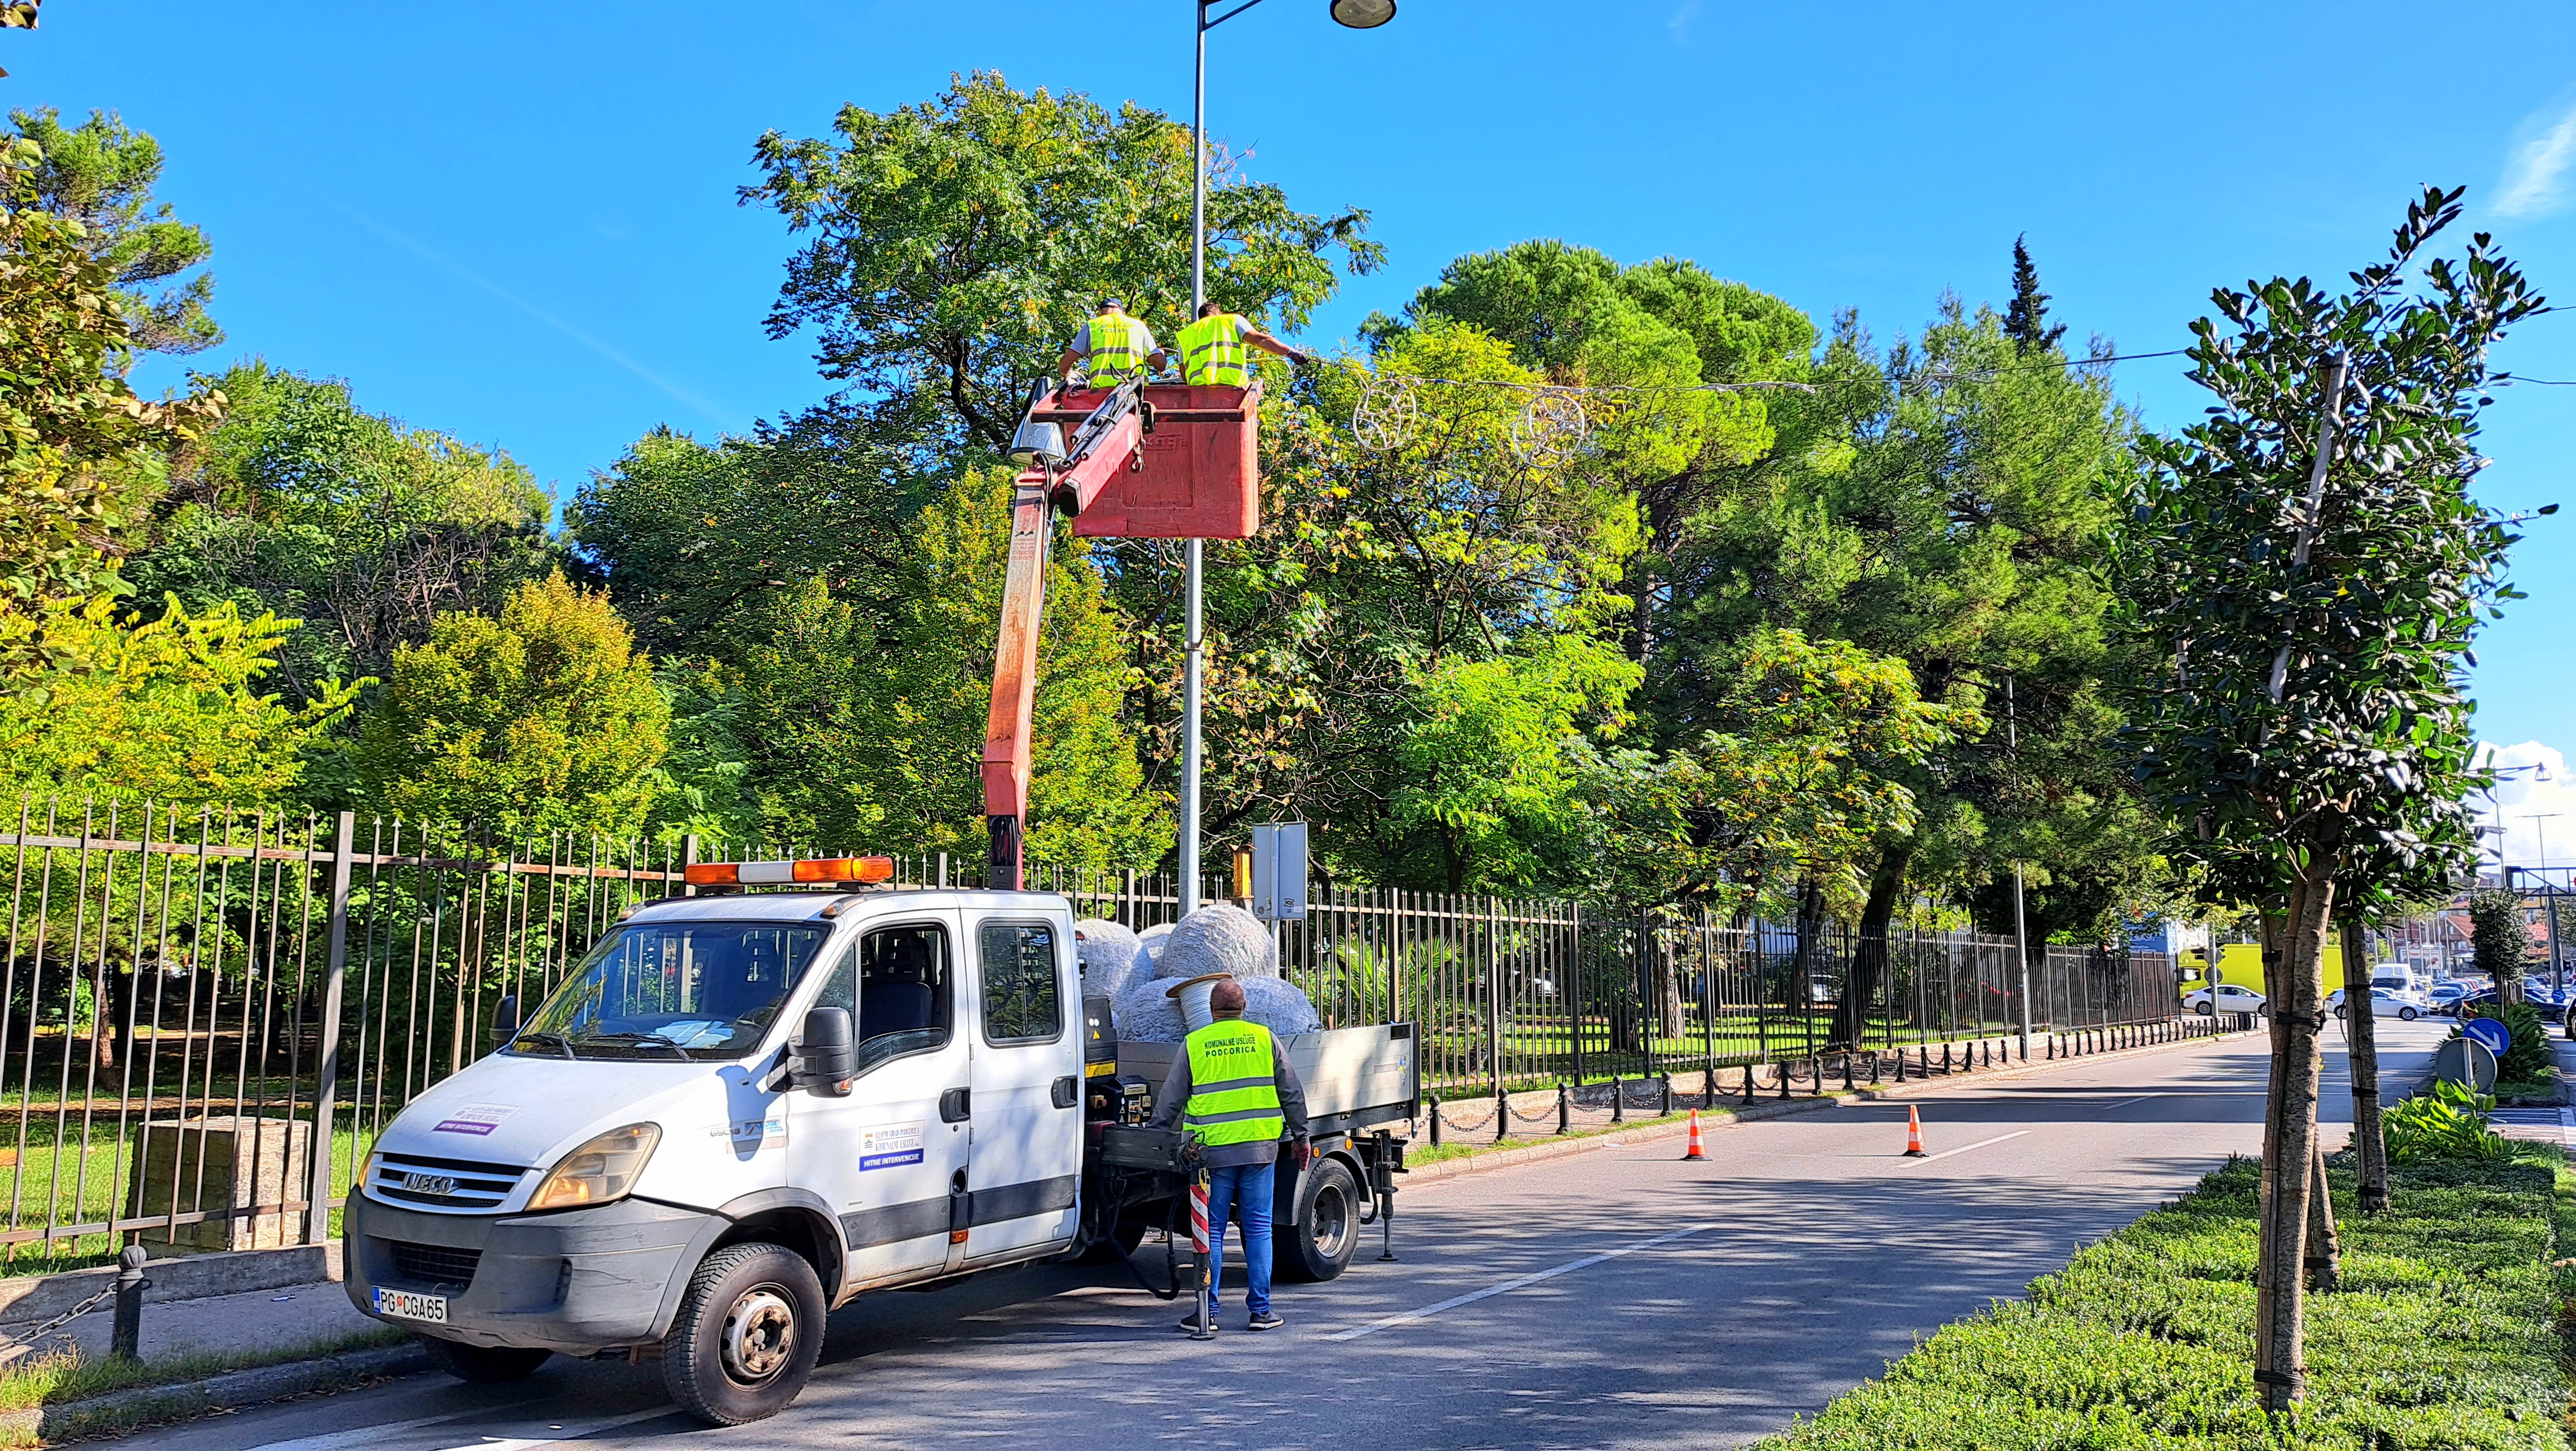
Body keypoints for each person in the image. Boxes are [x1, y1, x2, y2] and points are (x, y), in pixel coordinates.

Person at [1148, 976, 1310, 1333]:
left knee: (1213, 1232)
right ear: (1244, 1007)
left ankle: (1210, 1312)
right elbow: (1292, 1092)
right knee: (1257, 1229)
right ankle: (1261, 1311)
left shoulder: (1195, 1043)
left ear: (1210, 1010)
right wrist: (1301, 1137)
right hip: (1259, 1151)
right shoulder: (1264, 1039)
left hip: (1210, 1157)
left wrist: (1154, 1139)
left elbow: (1171, 1098)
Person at [1172, 300, 1311, 386]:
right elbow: (1259, 340)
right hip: (1231, 388)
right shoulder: (1231, 320)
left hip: (1198, 393)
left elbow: (1184, 374)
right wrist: (1290, 352)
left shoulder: (1185, 334)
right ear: (1218, 312)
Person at [1059, 298, 1165, 390]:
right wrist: (1161, 355)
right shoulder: (1138, 325)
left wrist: (1066, 374)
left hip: (1101, 391)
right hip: (1135, 389)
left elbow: (1065, 363)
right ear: (1123, 312)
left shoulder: (1093, 326)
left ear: (1100, 311)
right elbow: (1159, 365)